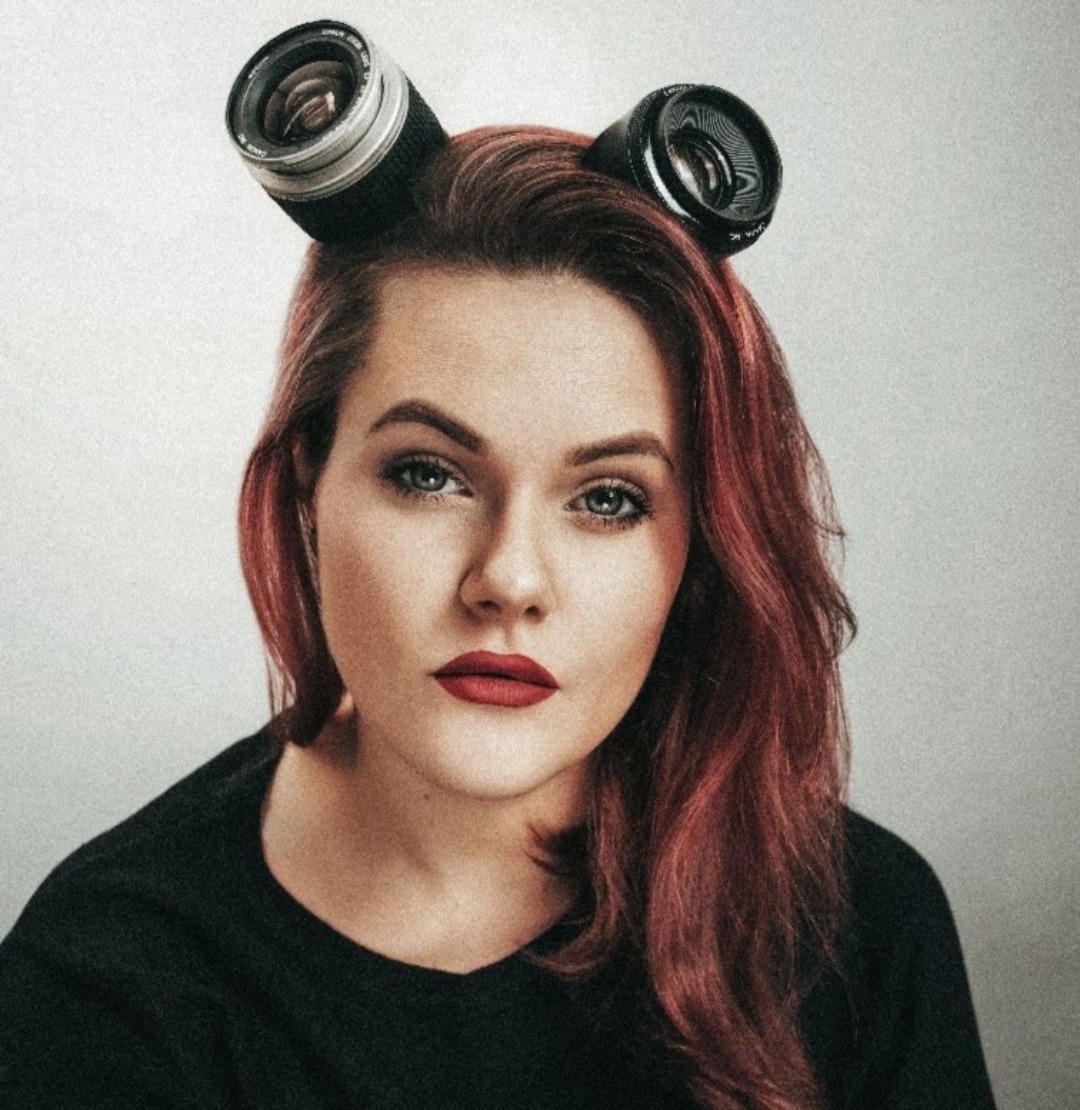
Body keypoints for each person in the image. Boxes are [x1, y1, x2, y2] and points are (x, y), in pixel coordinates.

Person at [0, 127, 995, 1109]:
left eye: (609, 498)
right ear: (311, 481)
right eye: (428, 475)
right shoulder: (102, 983)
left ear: (703, 545)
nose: (510, 580)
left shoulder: (858, 931)